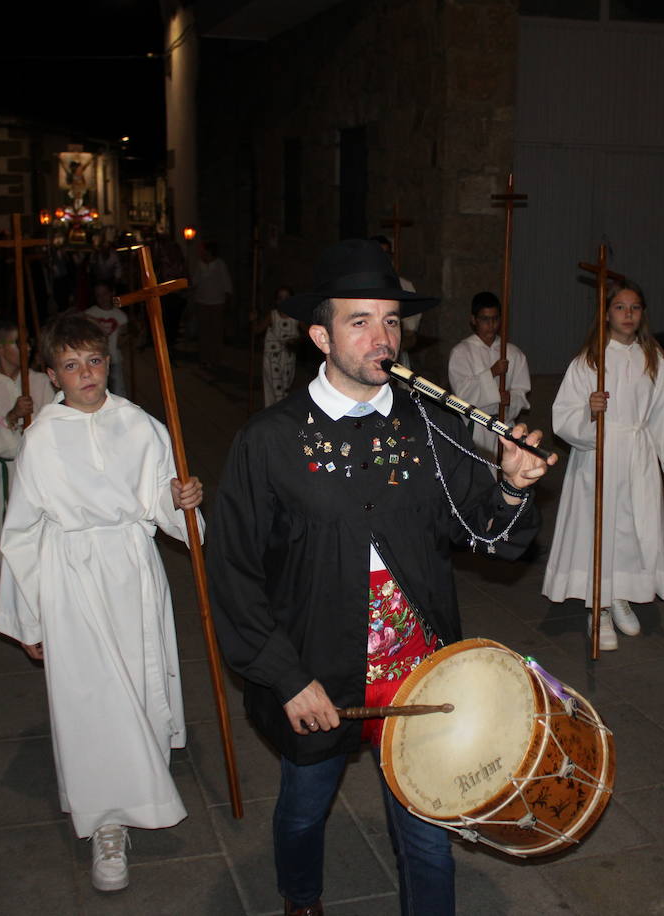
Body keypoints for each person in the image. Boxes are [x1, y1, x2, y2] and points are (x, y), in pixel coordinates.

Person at [206, 239, 555, 916]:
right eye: (359, 320)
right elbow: (236, 575)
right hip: (317, 674)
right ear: (319, 335)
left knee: (428, 839)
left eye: (391, 320)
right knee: (305, 814)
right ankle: (300, 898)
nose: (381, 336)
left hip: (417, 673)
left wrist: (512, 486)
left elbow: (484, 531)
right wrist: (285, 676)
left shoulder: (427, 424)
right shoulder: (270, 441)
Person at [0, 315, 204, 894]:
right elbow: (21, 535)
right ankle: (105, 824)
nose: (85, 374)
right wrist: (28, 615)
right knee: (88, 698)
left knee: (135, 682)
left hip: (133, 571)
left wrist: (182, 500)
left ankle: (137, 781)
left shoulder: (139, 425)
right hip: (71, 578)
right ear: (52, 374)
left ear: (107, 361)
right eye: (70, 365)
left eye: (93, 360)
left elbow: (167, 505)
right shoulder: (40, 439)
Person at [542, 281, 664, 650]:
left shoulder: (653, 358)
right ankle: (600, 605)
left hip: (638, 456)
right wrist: (589, 412)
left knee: (631, 529)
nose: (628, 315)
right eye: (620, 307)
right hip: (600, 455)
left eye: (635, 308)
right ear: (606, 313)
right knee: (602, 528)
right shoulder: (590, 361)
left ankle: (621, 593)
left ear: (643, 314)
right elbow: (562, 416)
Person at [0, 315, 53, 542]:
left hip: (41, 472)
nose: (27, 348)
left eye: (28, 342)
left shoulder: (41, 381)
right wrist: (12, 417)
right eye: (18, 343)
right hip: (9, 475)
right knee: (14, 543)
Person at [446, 291, 532, 460]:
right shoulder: (461, 353)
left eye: (495, 319)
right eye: (485, 319)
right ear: (473, 320)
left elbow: (522, 393)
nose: (491, 325)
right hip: (476, 429)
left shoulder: (513, 353)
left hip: (504, 426)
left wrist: (510, 399)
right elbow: (462, 394)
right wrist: (492, 372)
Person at [372, 235, 418, 367]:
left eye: (386, 254)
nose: (383, 259)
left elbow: (411, 332)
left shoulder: (405, 286)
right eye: (378, 254)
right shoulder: (354, 289)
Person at [251, 284, 301, 407]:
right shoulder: (272, 316)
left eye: (286, 298)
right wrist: (253, 320)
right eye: (280, 298)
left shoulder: (296, 318)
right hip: (272, 358)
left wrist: (296, 341)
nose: (283, 301)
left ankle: (278, 413)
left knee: (285, 386)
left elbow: (310, 333)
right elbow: (257, 330)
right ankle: (278, 415)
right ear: (276, 301)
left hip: (288, 359)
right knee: (276, 387)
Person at [81, 280, 129, 397]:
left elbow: (121, 342)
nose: (102, 298)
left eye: (105, 294)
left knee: (118, 391)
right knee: (96, 391)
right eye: (98, 295)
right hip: (94, 361)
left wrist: (128, 335)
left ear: (112, 293)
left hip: (114, 359)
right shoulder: (89, 314)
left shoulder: (121, 316)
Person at [189, 240, 231, 369]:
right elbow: (194, 282)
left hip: (217, 303)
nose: (201, 252)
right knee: (204, 332)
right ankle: (205, 358)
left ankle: (217, 358)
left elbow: (226, 283)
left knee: (216, 332)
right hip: (202, 302)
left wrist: (227, 300)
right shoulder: (200, 265)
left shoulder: (220, 264)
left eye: (203, 250)